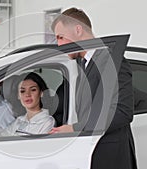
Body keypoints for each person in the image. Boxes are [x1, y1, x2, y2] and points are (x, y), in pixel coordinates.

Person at [49, 7, 137, 169]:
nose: (59, 44)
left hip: (110, 157)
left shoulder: (112, 60)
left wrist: (75, 128)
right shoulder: (83, 66)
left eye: (60, 37)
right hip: (92, 154)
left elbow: (122, 112)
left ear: (78, 30)